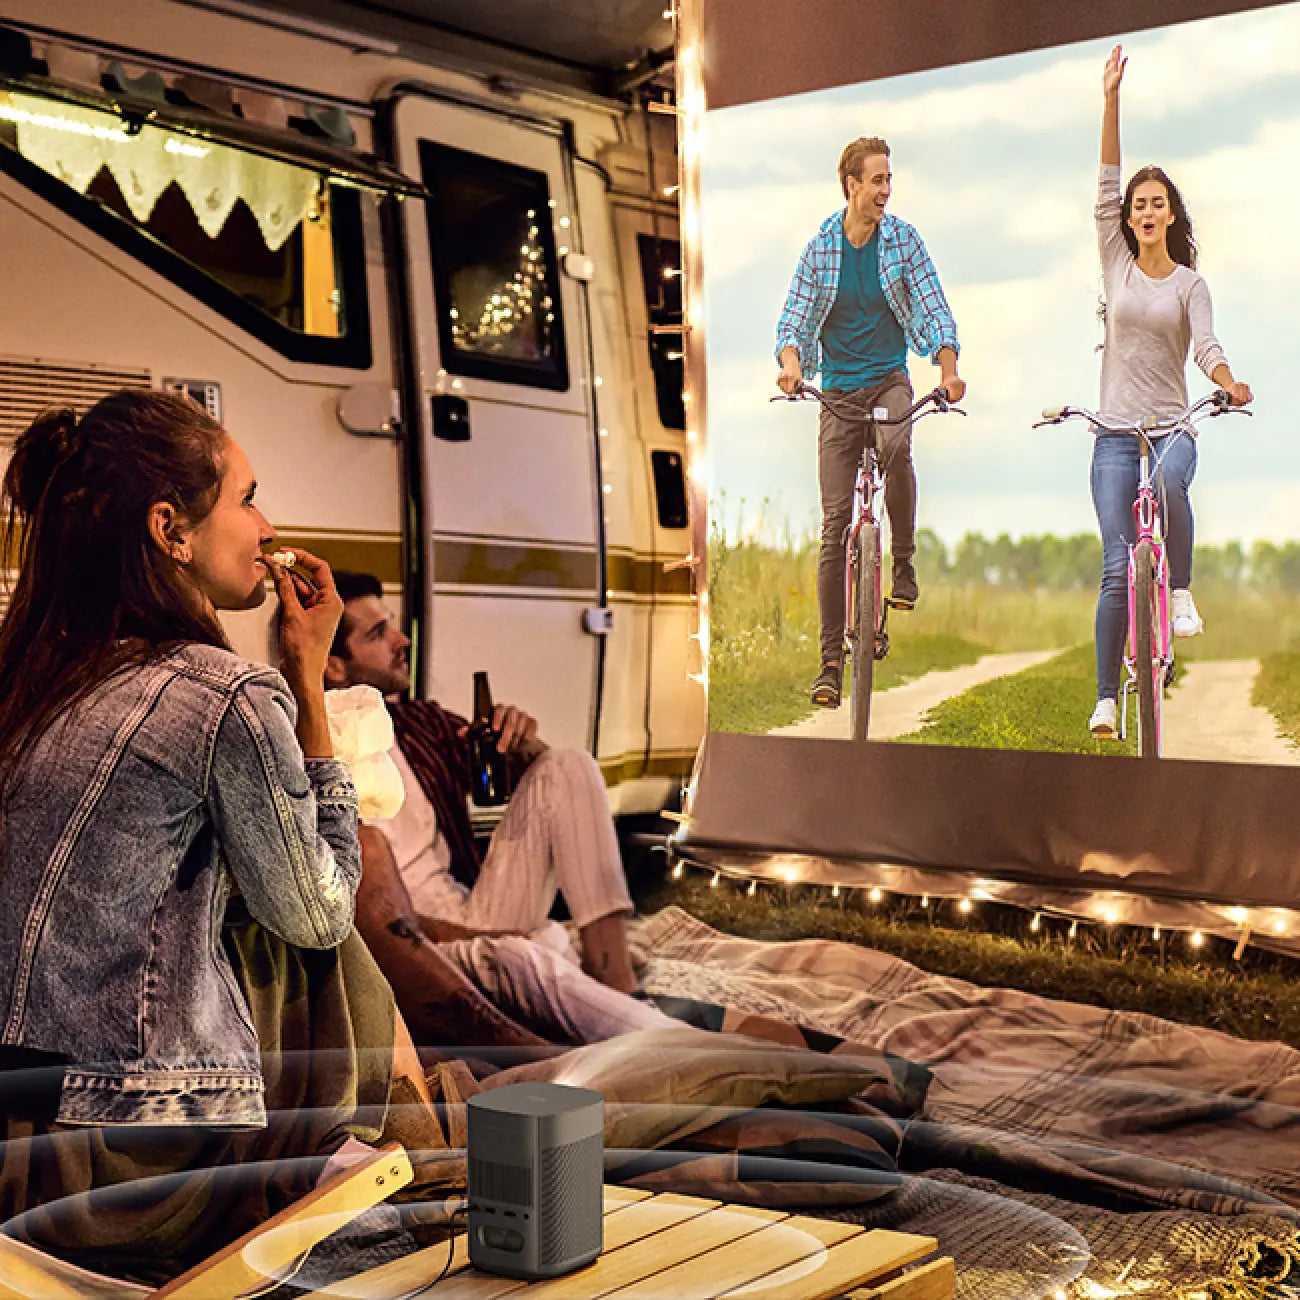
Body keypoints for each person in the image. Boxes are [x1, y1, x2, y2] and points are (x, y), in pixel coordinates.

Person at [0, 391, 444, 1282]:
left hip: (21, 1152)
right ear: (172, 529)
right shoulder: (220, 695)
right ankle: (378, 1160)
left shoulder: (30, 682)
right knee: (310, 924)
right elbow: (320, 911)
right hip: (131, 1172)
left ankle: (393, 1150)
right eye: (247, 497)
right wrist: (308, 683)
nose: (266, 524)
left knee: (243, 901)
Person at [321, 571, 674, 1045]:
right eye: (378, 634)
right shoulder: (315, 753)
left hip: (475, 907)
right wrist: (491, 941)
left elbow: (532, 778)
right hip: (418, 941)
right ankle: (671, 1047)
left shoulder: (416, 723)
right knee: (527, 961)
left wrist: (522, 741)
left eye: (394, 626)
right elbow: (371, 914)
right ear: (334, 667)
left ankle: (615, 975)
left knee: (567, 764)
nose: (401, 641)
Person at [1088, 46, 1252, 739]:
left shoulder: (1191, 285)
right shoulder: (1116, 262)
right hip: (1111, 435)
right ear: (1127, 218)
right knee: (1118, 569)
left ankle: (1180, 590)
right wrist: (1111, 99)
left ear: (1171, 215)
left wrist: (1226, 382)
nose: (1146, 211)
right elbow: (1105, 182)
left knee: (1174, 488)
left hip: (1173, 427)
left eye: (1158, 204)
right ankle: (1104, 699)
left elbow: (1208, 348)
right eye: (1138, 205)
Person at [776, 136, 966, 709]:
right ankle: (830, 663)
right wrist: (790, 367)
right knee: (834, 526)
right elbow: (795, 320)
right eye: (876, 180)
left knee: (895, 446)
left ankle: (902, 565)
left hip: (888, 379)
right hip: (836, 390)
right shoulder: (821, 250)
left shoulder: (903, 241)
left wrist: (949, 369)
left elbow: (934, 308)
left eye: (889, 179)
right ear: (851, 185)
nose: (886, 189)